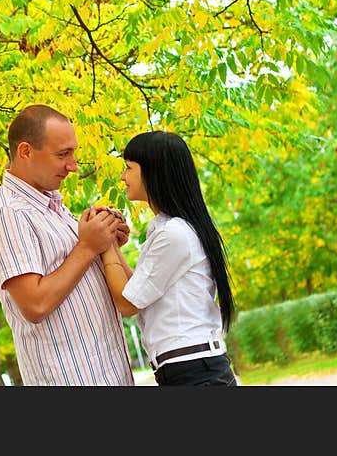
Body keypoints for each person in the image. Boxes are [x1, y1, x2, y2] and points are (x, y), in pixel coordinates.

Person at [0, 104, 135, 385]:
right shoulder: (8, 214)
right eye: (63, 154)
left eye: (73, 153)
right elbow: (35, 304)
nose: (73, 166)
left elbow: (80, 272)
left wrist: (107, 243)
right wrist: (87, 247)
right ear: (25, 151)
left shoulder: (54, 208)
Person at [87, 130, 237, 386]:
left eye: (129, 168)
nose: (123, 177)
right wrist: (112, 244)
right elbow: (139, 292)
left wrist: (104, 245)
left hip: (194, 372)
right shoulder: (167, 229)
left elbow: (127, 304)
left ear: (153, 172)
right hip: (190, 370)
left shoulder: (175, 234)